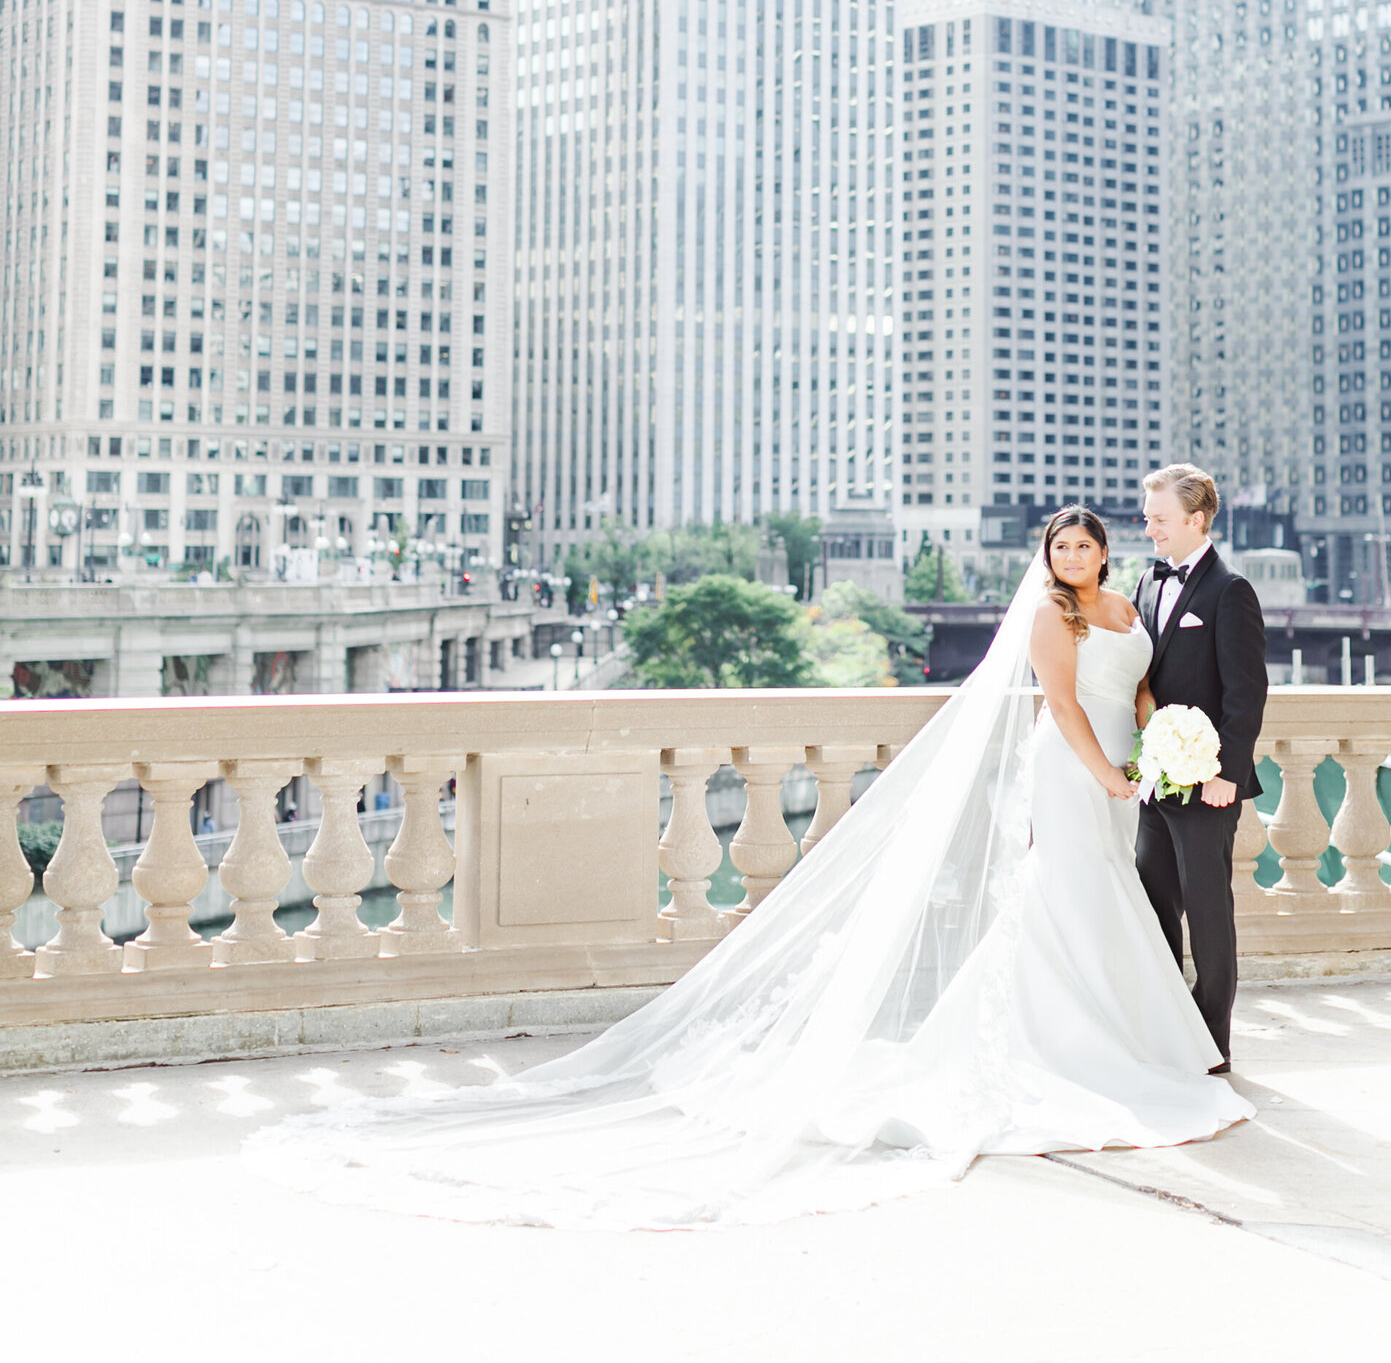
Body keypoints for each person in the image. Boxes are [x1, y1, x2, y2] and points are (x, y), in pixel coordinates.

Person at [248, 507, 1249, 1231]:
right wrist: (1106, 776)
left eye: (1085, 545)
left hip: (1125, 772)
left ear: (1108, 550)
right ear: (1048, 558)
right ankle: (1065, 1045)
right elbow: (1064, 708)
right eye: (1059, 547)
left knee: (1108, 901)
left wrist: (1159, 748)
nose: (1073, 557)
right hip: (1076, 775)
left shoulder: (1129, 607)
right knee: (1058, 902)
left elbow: (1148, 690)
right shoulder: (1053, 618)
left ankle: (1136, 1042)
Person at [1134, 465, 1269, 1071]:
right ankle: (1168, 1029)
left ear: (1196, 520)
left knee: (1210, 915)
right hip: (1156, 783)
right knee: (1155, 907)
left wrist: (1227, 777)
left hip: (1209, 784)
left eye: (1159, 518)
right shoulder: (1144, 582)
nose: (1149, 527)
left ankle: (1213, 1046)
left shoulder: (1230, 590)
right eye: (1147, 516)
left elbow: (1246, 695)